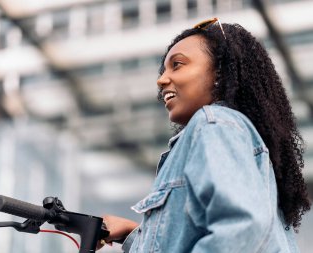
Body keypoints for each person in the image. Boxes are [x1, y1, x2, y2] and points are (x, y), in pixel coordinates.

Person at [98, 18, 311, 252]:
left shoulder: (214, 123)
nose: (161, 80)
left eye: (177, 64)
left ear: (220, 72)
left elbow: (242, 228)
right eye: (164, 70)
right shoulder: (224, 131)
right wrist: (134, 235)